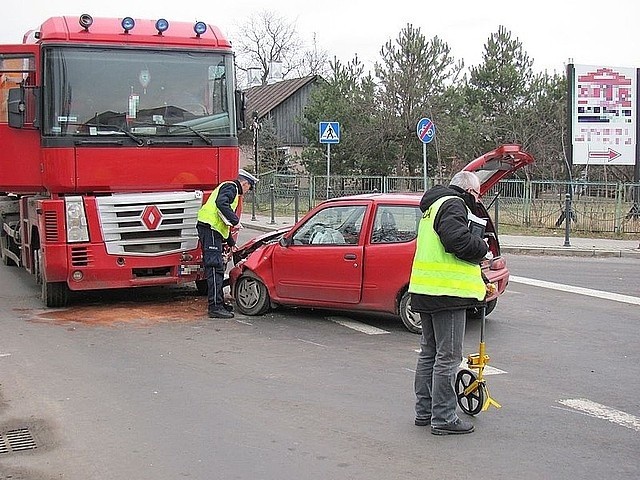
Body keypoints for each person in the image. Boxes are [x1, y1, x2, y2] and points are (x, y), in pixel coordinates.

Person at [409, 170, 490, 435]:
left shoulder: (432, 206)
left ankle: (425, 411)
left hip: (425, 290)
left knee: (429, 353)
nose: (477, 200)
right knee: (448, 357)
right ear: (468, 190)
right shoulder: (453, 204)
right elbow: (456, 241)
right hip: (447, 294)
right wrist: (482, 248)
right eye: (477, 195)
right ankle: (443, 418)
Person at [196, 169, 258, 319]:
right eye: (249, 187)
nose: (248, 191)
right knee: (214, 267)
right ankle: (214, 307)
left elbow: (222, 220)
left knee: (217, 268)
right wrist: (235, 221)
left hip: (213, 230)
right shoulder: (231, 187)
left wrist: (230, 242)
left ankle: (219, 302)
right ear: (244, 183)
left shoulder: (232, 190)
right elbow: (221, 204)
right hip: (209, 228)